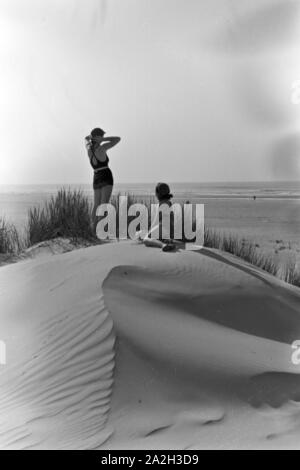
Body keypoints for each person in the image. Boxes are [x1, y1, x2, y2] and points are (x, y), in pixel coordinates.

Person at [85, 127, 121, 233]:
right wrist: (102, 140)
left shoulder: (88, 149)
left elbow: (86, 139)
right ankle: (100, 231)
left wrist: (92, 138)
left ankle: (93, 229)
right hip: (106, 175)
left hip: (96, 176)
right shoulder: (102, 148)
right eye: (102, 136)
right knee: (103, 204)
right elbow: (117, 139)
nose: (104, 137)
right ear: (98, 137)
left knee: (96, 204)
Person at [137, 182, 183, 251]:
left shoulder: (163, 203)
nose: (155, 194)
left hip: (164, 227)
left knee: (146, 240)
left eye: (156, 192)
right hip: (166, 229)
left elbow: (156, 221)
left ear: (158, 193)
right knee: (141, 233)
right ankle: (165, 241)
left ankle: (163, 245)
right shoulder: (167, 202)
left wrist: (148, 233)